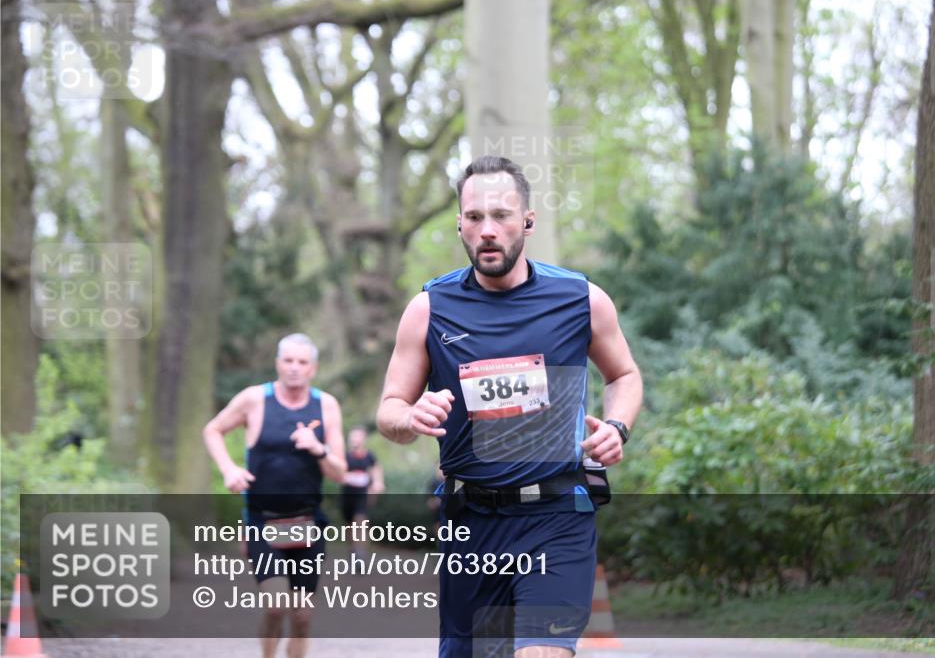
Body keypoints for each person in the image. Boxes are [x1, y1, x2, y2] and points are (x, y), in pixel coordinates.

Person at [376, 156, 643, 658]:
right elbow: (389, 409)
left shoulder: (580, 299)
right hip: (470, 523)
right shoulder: (429, 309)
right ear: (459, 223)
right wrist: (409, 418)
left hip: (557, 516)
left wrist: (617, 426)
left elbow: (624, 375)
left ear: (528, 221)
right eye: (474, 218)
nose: (487, 230)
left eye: (501, 216)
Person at [203, 333, 347, 658]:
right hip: (262, 522)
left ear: (313, 368)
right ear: (277, 363)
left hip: (308, 523)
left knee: (302, 615)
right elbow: (213, 430)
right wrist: (229, 469)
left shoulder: (326, 406)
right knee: (276, 607)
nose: (294, 368)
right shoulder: (254, 399)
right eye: (288, 360)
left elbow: (339, 471)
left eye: (302, 362)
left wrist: (318, 448)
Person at [340, 425, 385, 556]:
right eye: (352, 437)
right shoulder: (345, 456)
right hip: (347, 494)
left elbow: (376, 470)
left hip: (362, 494)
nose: (355, 440)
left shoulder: (369, 456)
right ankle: (353, 549)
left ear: (363, 439)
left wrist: (378, 483)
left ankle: (362, 554)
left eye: (357, 437)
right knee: (349, 526)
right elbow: (338, 472)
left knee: (360, 521)